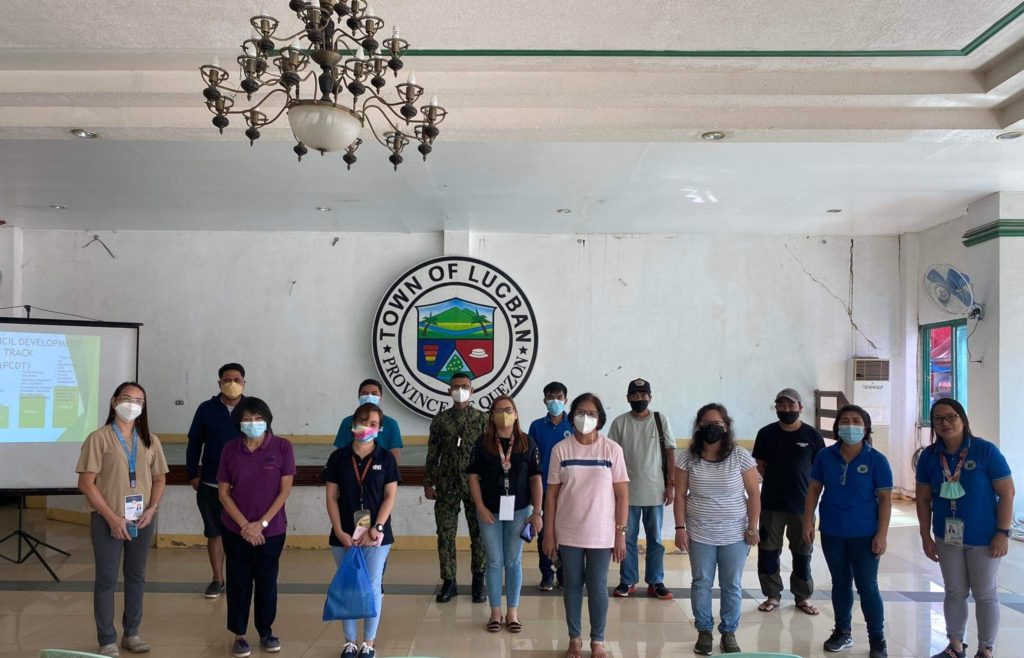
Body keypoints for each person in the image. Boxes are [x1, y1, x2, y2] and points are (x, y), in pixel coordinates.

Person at [915, 398, 1015, 658]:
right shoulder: (929, 456)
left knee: (984, 593)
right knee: (954, 590)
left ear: (962, 419)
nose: (945, 423)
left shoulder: (984, 451)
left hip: (985, 537)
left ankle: (985, 649)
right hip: (947, 535)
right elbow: (924, 498)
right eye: (938, 419)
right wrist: (925, 535)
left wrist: (1002, 533)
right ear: (933, 424)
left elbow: (1007, 493)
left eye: (951, 417)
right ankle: (955, 645)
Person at [77, 382, 169, 658]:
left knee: (136, 577)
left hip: (142, 519)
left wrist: (152, 508)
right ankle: (107, 639)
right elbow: (86, 482)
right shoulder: (99, 438)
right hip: (108, 520)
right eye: (127, 398)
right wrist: (112, 517)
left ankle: (132, 633)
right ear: (115, 401)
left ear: (144, 407)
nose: (133, 404)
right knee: (106, 579)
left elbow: (159, 478)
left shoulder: (150, 440)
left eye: (139, 400)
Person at [543, 393, 628, 658]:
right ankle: (575, 639)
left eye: (591, 414)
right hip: (568, 530)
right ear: (572, 416)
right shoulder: (561, 449)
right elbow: (552, 495)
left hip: (601, 533)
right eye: (580, 412)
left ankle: (598, 641)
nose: (585, 418)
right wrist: (548, 533)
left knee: (597, 585)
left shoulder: (612, 450)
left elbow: (622, 494)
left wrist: (621, 534)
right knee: (572, 584)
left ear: (600, 418)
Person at [803, 404, 891, 658]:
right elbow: (813, 490)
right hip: (832, 532)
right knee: (840, 583)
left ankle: (877, 637)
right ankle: (842, 631)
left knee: (867, 586)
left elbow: (885, 499)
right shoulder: (825, 456)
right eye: (845, 421)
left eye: (856, 421)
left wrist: (882, 534)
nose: (850, 426)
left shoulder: (876, 460)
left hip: (865, 534)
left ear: (865, 428)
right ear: (837, 427)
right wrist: (808, 521)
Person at [674, 403, 760, 655]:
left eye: (717, 424)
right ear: (698, 426)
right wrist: (680, 527)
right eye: (706, 424)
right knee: (701, 582)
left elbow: (754, 494)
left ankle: (729, 631)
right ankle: (703, 630)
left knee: (731, 584)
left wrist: (753, 527)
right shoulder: (687, 457)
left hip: (735, 533)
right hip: (699, 533)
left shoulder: (740, 455)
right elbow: (679, 495)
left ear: (727, 426)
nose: (712, 428)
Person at [217, 397, 295, 658]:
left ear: (268, 420)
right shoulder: (230, 449)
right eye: (247, 418)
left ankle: (266, 631)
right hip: (235, 529)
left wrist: (260, 524)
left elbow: (285, 490)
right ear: (238, 422)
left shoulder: (282, 446)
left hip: (271, 530)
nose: (253, 423)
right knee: (238, 581)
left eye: (258, 418)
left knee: (266, 582)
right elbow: (224, 493)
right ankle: (239, 635)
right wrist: (245, 526)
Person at [323, 402, 399, 658]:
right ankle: (349, 642)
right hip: (343, 534)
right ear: (353, 423)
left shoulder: (386, 458)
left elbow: (390, 496)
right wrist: (339, 530)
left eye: (373, 423)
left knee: (372, 585)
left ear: (380, 429)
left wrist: (376, 527)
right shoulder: (338, 458)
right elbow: (331, 497)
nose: (367, 426)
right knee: (348, 586)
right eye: (363, 420)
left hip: (377, 535)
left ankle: (368, 642)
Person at [468, 395, 544, 633]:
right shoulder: (482, 443)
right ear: (491, 415)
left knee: (513, 561)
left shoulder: (527, 443)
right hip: (489, 511)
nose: (504, 414)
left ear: (516, 413)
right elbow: (472, 477)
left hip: (520, 510)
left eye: (508, 409)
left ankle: (512, 612)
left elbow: (536, 479)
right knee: (493, 561)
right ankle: (495, 612)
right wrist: (479, 506)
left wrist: (537, 512)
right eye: (498, 410)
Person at [752, 387, 825, 615]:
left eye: (791, 405)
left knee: (803, 553)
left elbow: (820, 470)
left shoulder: (812, 436)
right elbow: (760, 466)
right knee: (768, 553)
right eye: (781, 406)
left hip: (802, 507)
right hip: (771, 505)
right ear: (776, 408)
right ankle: (772, 595)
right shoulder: (766, 434)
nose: (786, 410)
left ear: (800, 408)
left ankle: (802, 596)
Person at [423, 371, 488, 602]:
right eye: (456, 386)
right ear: (449, 390)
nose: (460, 390)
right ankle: (449, 581)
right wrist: (428, 482)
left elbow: (488, 454)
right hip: (447, 484)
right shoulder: (440, 420)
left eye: (465, 386)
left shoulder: (482, 419)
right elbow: (433, 453)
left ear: (472, 390)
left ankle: (479, 580)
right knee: (445, 534)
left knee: (479, 534)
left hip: (476, 485)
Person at [607, 377, 675, 600]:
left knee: (655, 540)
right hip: (626, 494)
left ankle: (656, 581)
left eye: (643, 395)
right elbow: (611, 457)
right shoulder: (619, 423)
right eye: (635, 396)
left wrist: (671, 485)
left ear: (650, 397)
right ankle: (628, 581)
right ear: (628, 398)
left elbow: (670, 453)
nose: (639, 399)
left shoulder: (659, 420)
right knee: (627, 539)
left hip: (655, 492)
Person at [186, 362, 247, 598]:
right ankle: (217, 579)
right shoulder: (206, 409)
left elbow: (266, 443)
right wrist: (192, 473)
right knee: (214, 532)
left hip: (244, 487)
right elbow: (194, 443)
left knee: (242, 533)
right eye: (227, 380)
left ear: (244, 382)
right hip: (211, 482)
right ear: (219, 382)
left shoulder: (253, 408)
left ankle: (238, 579)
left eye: (237, 380)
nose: (232, 384)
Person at [527, 381, 572, 590]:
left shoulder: (573, 425)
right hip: (544, 489)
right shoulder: (536, 426)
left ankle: (563, 573)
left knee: (566, 533)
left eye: (559, 397)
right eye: (551, 397)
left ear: (566, 399)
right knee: (544, 533)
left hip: (569, 489)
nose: (555, 401)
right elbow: (531, 460)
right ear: (545, 400)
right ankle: (546, 574)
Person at [333, 378, 403, 463]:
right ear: (359, 397)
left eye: (374, 394)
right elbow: (339, 453)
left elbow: (395, 456)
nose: (369, 396)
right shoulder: (347, 422)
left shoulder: (391, 424)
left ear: (380, 397)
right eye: (365, 394)